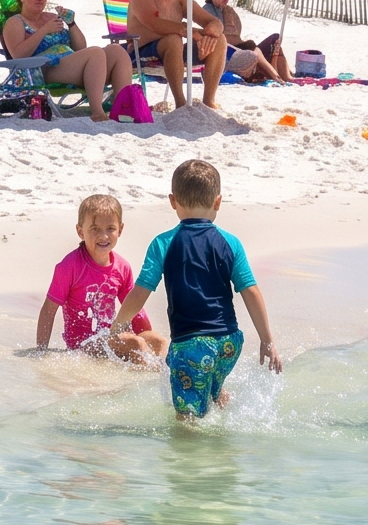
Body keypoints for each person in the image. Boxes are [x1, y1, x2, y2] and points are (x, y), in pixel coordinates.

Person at [107, 159, 284, 418]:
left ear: (173, 201)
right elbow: (251, 291)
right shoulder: (230, 242)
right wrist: (267, 342)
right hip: (229, 343)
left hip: (191, 345)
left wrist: (119, 324)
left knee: (187, 421)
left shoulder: (163, 243)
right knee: (212, 389)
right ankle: (227, 431)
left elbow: (141, 291)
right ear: (217, 202)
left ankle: (195, 454)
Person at [35, 193, 165, 365]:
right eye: (95, 229)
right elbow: (48, 310)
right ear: (80, 231)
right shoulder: (69, 266)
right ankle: (139, 385)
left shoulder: (122, 267)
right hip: (83, 345)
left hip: (109, 337)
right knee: (136, 343)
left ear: (120, 229)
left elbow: (134, 307)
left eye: (110, 228)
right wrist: (40, 352)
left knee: (158, 341)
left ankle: (161, 382)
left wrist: (145, 336)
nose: (103, 236)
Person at [0, 0, 134, 121]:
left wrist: (71, 24)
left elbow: (80, 48)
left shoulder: (51, 17)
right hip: (42, 69)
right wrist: (44, 30)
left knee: (117, 51)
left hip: (69, 64)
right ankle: (97, 112)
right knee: (95, 52)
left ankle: (123, 109)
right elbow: (18, 55)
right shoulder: (15, 22)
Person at [126, 0, 226, 110]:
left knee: (220, 40)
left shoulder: (180, 0)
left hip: (175, 52)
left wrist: (213, 30)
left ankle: (208, 101)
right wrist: (188, 31)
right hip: (142, 52)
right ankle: (181, 103)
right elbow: (154, 23)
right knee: (173, 39)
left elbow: (212, 21)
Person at [202, 0, 294, 82]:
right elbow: (225, 38)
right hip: (226, 54)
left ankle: (285, 76)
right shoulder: (207, 11)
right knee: (251, 46)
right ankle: (276, 75)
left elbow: (237, 33)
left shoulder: (228, 10)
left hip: (236, 50)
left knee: (275, 39)